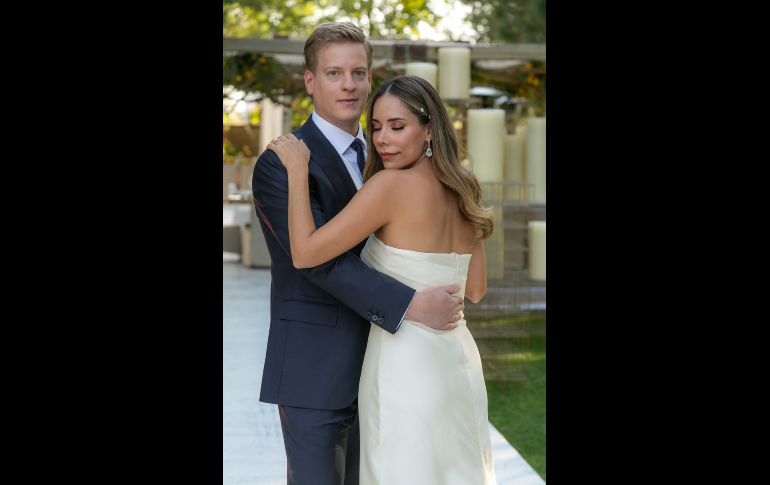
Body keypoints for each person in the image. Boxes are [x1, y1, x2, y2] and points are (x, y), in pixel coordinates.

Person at [251, 23, 464, 485]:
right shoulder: (283, 162)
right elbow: (316, 262)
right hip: (316, 369)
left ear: (370, 79)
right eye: (334, 73)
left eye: (358, 72)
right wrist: (410, 303)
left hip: (385, 366)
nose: (349, 85)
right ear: (310, 81)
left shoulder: (385, 152)